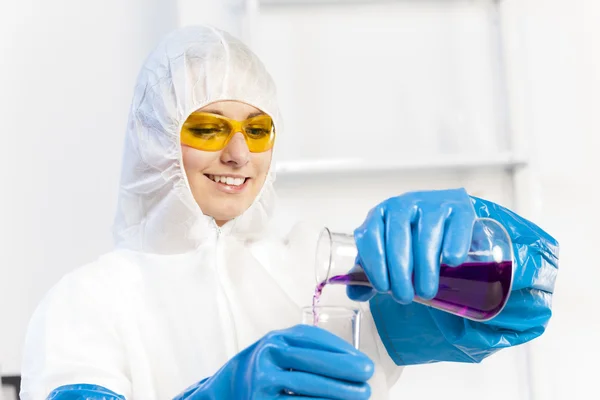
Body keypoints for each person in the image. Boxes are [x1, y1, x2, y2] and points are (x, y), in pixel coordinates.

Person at [20, 25, 558, 400]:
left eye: (257, 131)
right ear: (156, 139)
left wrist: (480, 244)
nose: (238, 155)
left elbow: (527, 306)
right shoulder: (90, 301)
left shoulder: (321, 270)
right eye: (207, 128)